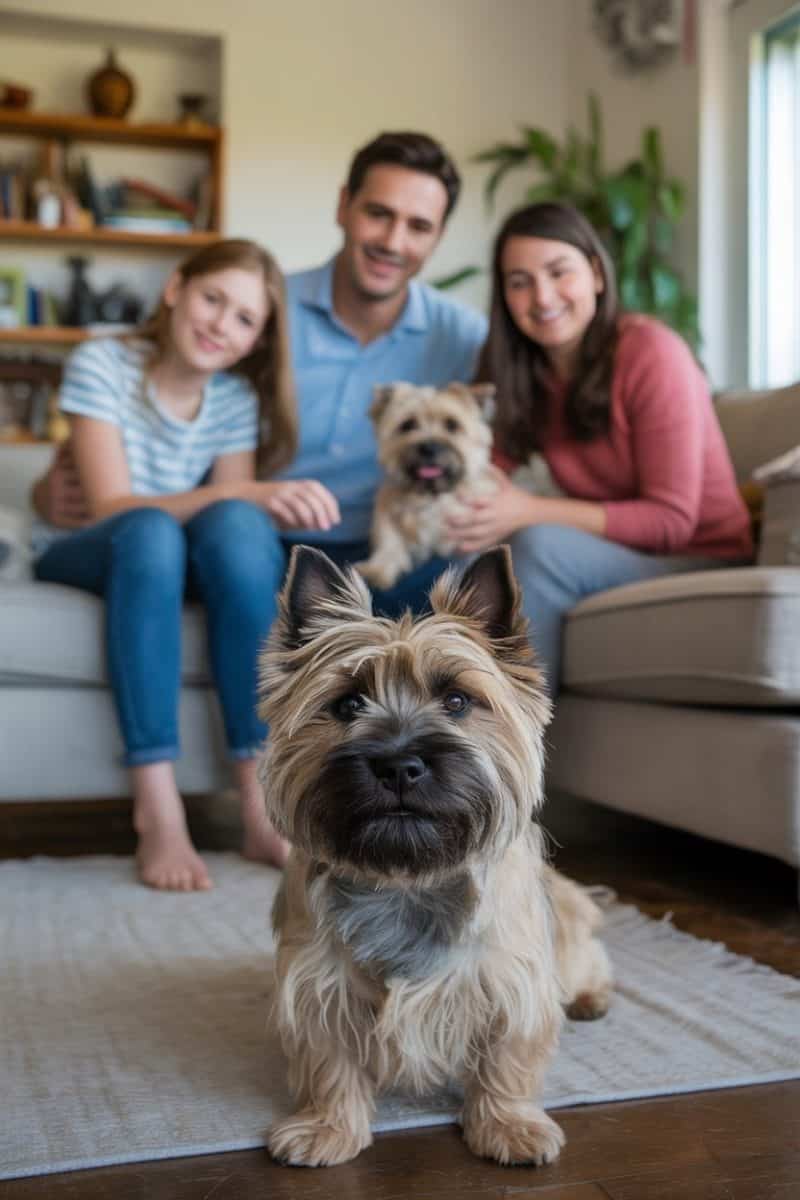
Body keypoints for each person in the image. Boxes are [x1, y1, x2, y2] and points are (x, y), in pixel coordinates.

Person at [34, 238, 341, 892]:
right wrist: (242, 491)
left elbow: (232, 518)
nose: (219, 325)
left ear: (257, 341)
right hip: (89, 546)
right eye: (212, 299)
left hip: (160, 549)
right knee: (149, 529)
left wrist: (245, 501)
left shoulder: (233, 402)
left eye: (243, 319)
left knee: (238, 527)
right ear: (175, 288)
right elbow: (110, 506)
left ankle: (259, 799)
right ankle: (158, 808)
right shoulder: (102, 360)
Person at [447, 201, 753, 695]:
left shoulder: (652, 352)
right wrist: (467, 505)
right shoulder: (526, 370)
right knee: (462, 557)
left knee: (538, 548)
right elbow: (485, 468)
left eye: (558, 271)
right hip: (618, 550)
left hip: (704, 552)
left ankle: (516, 758)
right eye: (519, 281)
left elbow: (672, 521)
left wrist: (526, 509)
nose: (541, 295)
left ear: (595, 274)